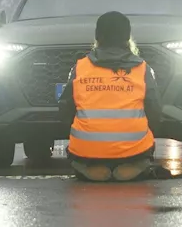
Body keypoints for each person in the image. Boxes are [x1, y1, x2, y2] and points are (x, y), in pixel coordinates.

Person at [59, 11, 163, 182]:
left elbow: (65, 110)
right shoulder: (142, 69)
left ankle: (89, 168)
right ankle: (134, 166)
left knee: (79, 154)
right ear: (127, 38)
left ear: (97, 38)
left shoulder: (80, 68)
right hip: (134, 151)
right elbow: (155, 110)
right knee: (142, 149)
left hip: (87, 152)